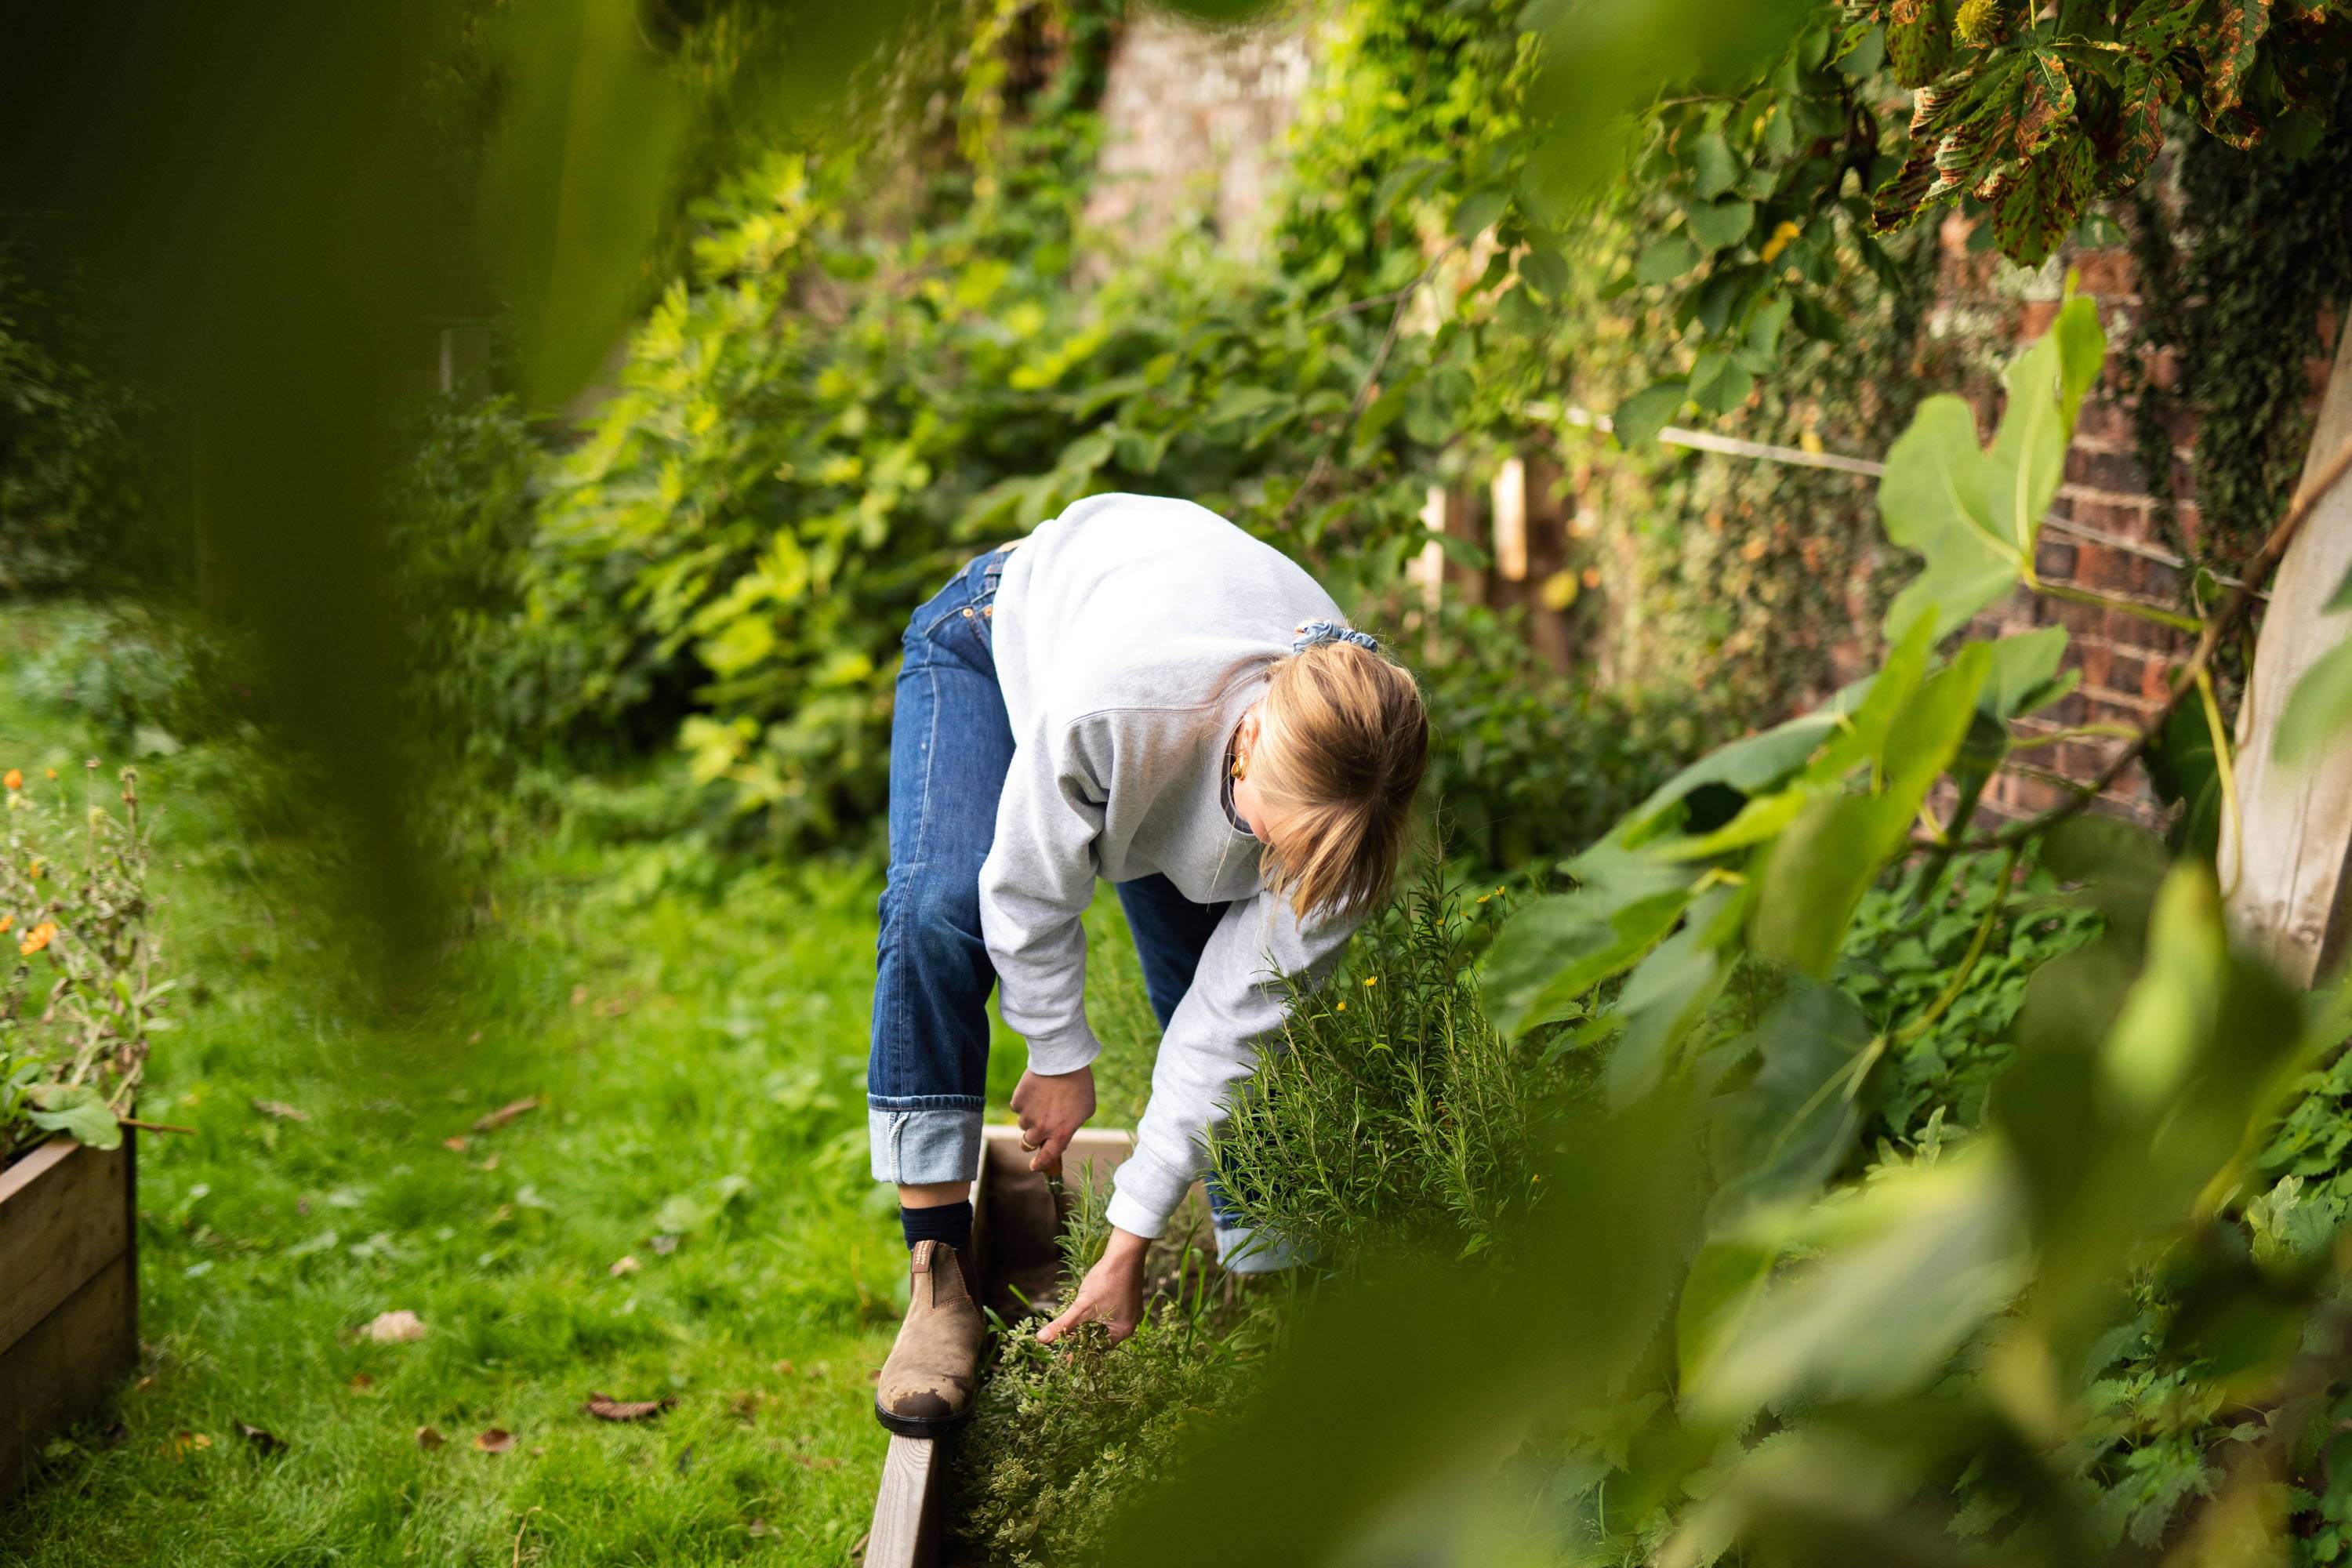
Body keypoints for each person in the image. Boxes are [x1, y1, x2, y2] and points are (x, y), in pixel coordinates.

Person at [866, 493, 1429, 1436]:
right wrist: (1058, 1052)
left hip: (1175, 743)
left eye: (1296, 861)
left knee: (1232, 1003)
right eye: (1265, 837)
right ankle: (939, 1276)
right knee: (938, 911)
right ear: (1247, 742)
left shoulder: (1343, 838)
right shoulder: (1123, 707)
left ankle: (1269, 1287)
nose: (1275, 870)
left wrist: (1126, 1243)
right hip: (1002, 634)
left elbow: (1226, 1034)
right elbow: (1028, 888)